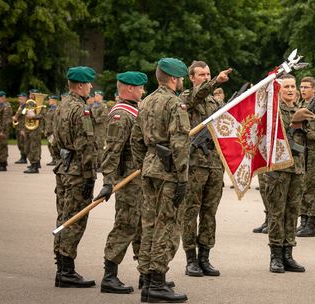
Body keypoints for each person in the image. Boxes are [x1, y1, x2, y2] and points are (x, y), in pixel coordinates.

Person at [131, 58, 189, 303]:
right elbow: (180, 142)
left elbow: (136, 140)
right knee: (167, 225)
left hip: (150, 168)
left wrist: (144, 163)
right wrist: (183, 177)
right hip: (169, 172)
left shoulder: (145, 102)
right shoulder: (175, 104)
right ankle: (157, 283)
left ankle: (146, 277)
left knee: (149, 224)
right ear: (174, 79)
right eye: (181, 78)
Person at [94, 71, 147, 294]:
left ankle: (146, 275)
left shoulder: (135, 110)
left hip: (140, 178)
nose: (143, 91)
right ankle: (109, 275)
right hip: (128, 180)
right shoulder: (121, 114)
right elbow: (112, 151)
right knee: (126, 225)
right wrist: (108, 181)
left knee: (143, 227)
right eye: (140, 88)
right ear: (129, 89)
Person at [178, 61, 231, 277]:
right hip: (194, 164)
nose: (206, 77)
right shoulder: (186, 98)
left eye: (208, 74)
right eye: (201, 74)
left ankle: (205, 257)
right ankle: (191, 258)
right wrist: (215, 82)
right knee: (190, 211)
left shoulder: (214, 102)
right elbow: (197, 96)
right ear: (191, 77)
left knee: (210, 212)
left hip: (214, 163)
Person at [53, 66, 98, 288]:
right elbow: (86, 145)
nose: (91, 87)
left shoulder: (61, 106)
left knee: (63, 216)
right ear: (80, 85)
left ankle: (61, 265)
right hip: (78, 171)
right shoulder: (81, 110)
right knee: (75, 219)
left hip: (63, 168)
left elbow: (53, 141)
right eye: (89, 83)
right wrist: (90, 176)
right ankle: (67, 271)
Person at [264, 73, 307, 274]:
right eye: (286, 86)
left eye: (292, 86)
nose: (290, 90)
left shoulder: (301, 110)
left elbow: (311, 137)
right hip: (278, 169)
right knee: (277, 212)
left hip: (297, 168)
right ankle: (276, 255)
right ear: (280, 89)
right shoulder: (273, 111)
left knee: (292, 212)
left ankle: (288, 254)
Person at [297, 76, 315, 237]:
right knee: (302, 187)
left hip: (314, 153)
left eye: (306, 87)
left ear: (314, 89)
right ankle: (303, 220)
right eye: (301, 87)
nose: (303, 90)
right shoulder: (301, 105)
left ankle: (311, 223)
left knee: (312, 189)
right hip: (302, 152)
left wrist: (304, 132)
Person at [23, 89, 44, 173]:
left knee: (34, 147)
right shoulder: (28, 104)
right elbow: (24, 116)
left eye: (33, 95)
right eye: (30, 94)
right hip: (28, 129)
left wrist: (34, 116)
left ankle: (34, 166)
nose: (31, 96)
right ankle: (33, 163)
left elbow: (42, 116)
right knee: (27, 147)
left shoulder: (41, 105)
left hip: (36, 129)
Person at [92, 90, 109, 170]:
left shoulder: (103, 106)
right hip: (94, 130)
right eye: (95, 96)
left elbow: (103, 117)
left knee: (101, 148)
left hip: (101, 130)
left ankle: (101, 164)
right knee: (94, 147)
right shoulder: (93, 106)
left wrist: (94, 119)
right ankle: (96, 164)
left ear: (101, 97)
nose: (95, 97)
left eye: (97, 96)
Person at [44, 95, 60, 166]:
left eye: (50, 100)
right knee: (50, 145)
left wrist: (54, 131)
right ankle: (54, 159)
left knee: (54, 146)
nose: (49, 101)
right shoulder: (50, 109)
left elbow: (56, 121)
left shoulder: (57, 109)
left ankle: (57, 159)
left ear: (54, 101)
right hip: (49, 131)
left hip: (53, 131)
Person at [0, 91, 12, 171]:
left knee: (2, 147)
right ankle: (0, 163)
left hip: (2, 131)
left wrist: (2, 131)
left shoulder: (6, 106)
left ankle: (2, 165)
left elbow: (6, 120)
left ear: (2, 97)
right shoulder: (0, 106)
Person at [13, 93, 28, 164]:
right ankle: (22, 157)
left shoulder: (26, 106)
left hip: (22, 128)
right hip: (18, 127)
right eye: (19, 99)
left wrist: (24, 129)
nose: (19, 100)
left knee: (23, 143)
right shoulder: (21, 106)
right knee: (19, 143)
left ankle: (24, 158)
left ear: (25, 98)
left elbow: (26, 118)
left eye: (21, 98)